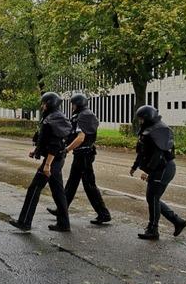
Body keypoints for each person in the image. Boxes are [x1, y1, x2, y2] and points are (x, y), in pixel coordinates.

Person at [10, 92, 72, 232]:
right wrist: (37, 151)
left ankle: (25, 222)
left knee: (34, 188)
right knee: (58, 192)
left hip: (53, 161)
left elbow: (56, 144)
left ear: (50, 103)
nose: (42, 106)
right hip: (55, 159)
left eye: (44, 103)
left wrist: (47, 165)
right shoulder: (53, 116)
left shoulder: (55, 118)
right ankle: (64, 224)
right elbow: (47, 139)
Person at [47, 93, 111, 225]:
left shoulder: (85, 116)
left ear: (78, 104)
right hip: (80, 154)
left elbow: (81, 138)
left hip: (85, 155)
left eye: (73, 104)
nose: (72, 107)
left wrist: (67, 149)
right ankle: (61, 209)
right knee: (72, 183)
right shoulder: (80, 115)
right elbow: (72, 134)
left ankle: (104, 214)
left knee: (89, 185)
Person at [130, 105, 186, 240]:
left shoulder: (161, 130)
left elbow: (158, 155)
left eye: (141, 119)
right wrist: (135, 166)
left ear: (148, 117)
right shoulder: (147, 129)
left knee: (153, 198)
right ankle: (177, 221)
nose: (140, 122)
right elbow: (143, 151)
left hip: (163, 168)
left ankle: (153, 229)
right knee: (152, 198)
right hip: (158, 168)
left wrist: (148, 171)